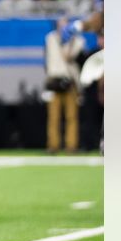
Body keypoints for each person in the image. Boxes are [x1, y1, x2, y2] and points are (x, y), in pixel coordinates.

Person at [44, 18, 86, 154]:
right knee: (53, 116)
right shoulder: (50, 38)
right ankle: (53, 145)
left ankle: (71, 146)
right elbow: (46, 59)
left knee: (71, 116)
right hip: (54, 80)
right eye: (61, 23)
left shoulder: (77, 40)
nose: (63, 26)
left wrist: (70, 40)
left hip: (70, 81)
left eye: (65, 24)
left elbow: (73, 57)